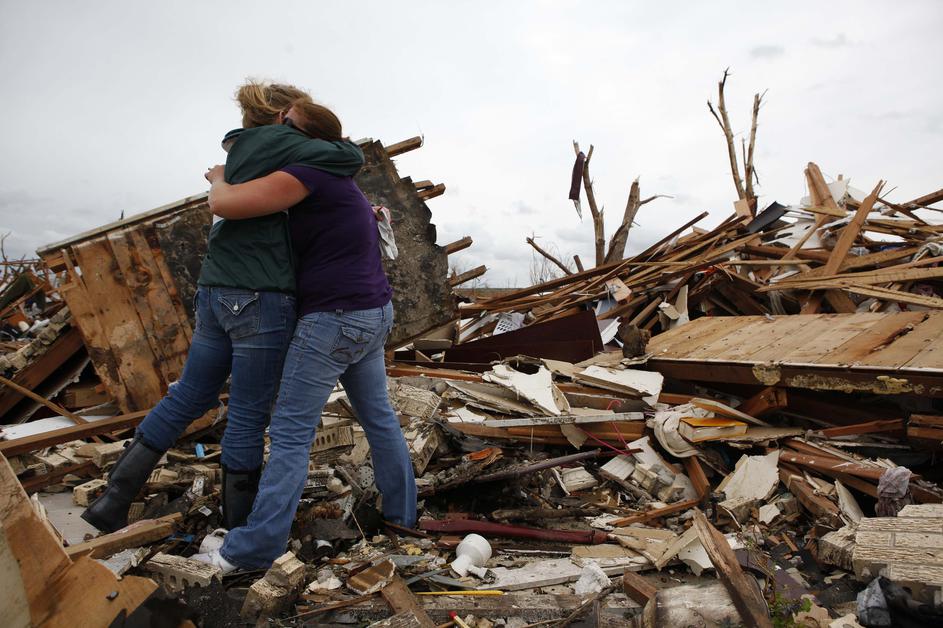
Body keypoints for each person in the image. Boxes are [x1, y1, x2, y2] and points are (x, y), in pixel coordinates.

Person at [82, 82, 364, 533]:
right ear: (283, 117)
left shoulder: (238, 148)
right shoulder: (285, 142)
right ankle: (238, 526)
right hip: (261, 294)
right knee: (249, 412)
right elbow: (350, 156)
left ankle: (112, 500)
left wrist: (218, 177)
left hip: (214, 289)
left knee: (188, 395)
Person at [193, 100, 417, 572]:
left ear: (299, 133)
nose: (278, 127)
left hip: (335, 318)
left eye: (285, 122)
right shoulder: (340, 175)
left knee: (290, 433)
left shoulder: (306, 174)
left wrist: (219, 176)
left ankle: (252, 549)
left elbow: (226, 204)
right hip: (373, 311)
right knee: (379, 419)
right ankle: (403, 516)